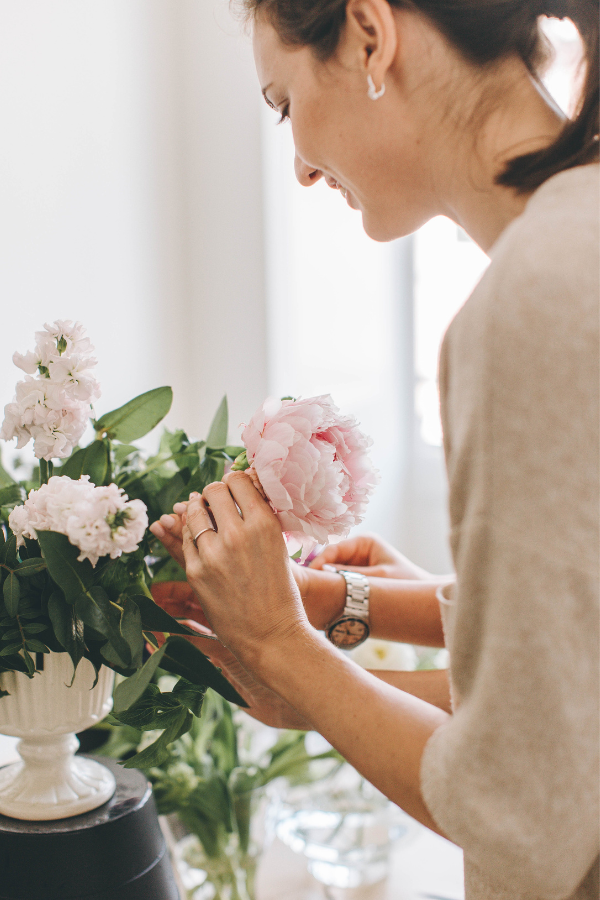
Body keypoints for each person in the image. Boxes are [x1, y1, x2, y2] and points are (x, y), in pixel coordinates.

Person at [149, 0, 599, 896]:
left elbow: (518, 804)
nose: (302, 166)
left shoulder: (538, 295)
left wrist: (284, 649)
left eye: (284, 104)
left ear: (369, 34)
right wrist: (347, 607)